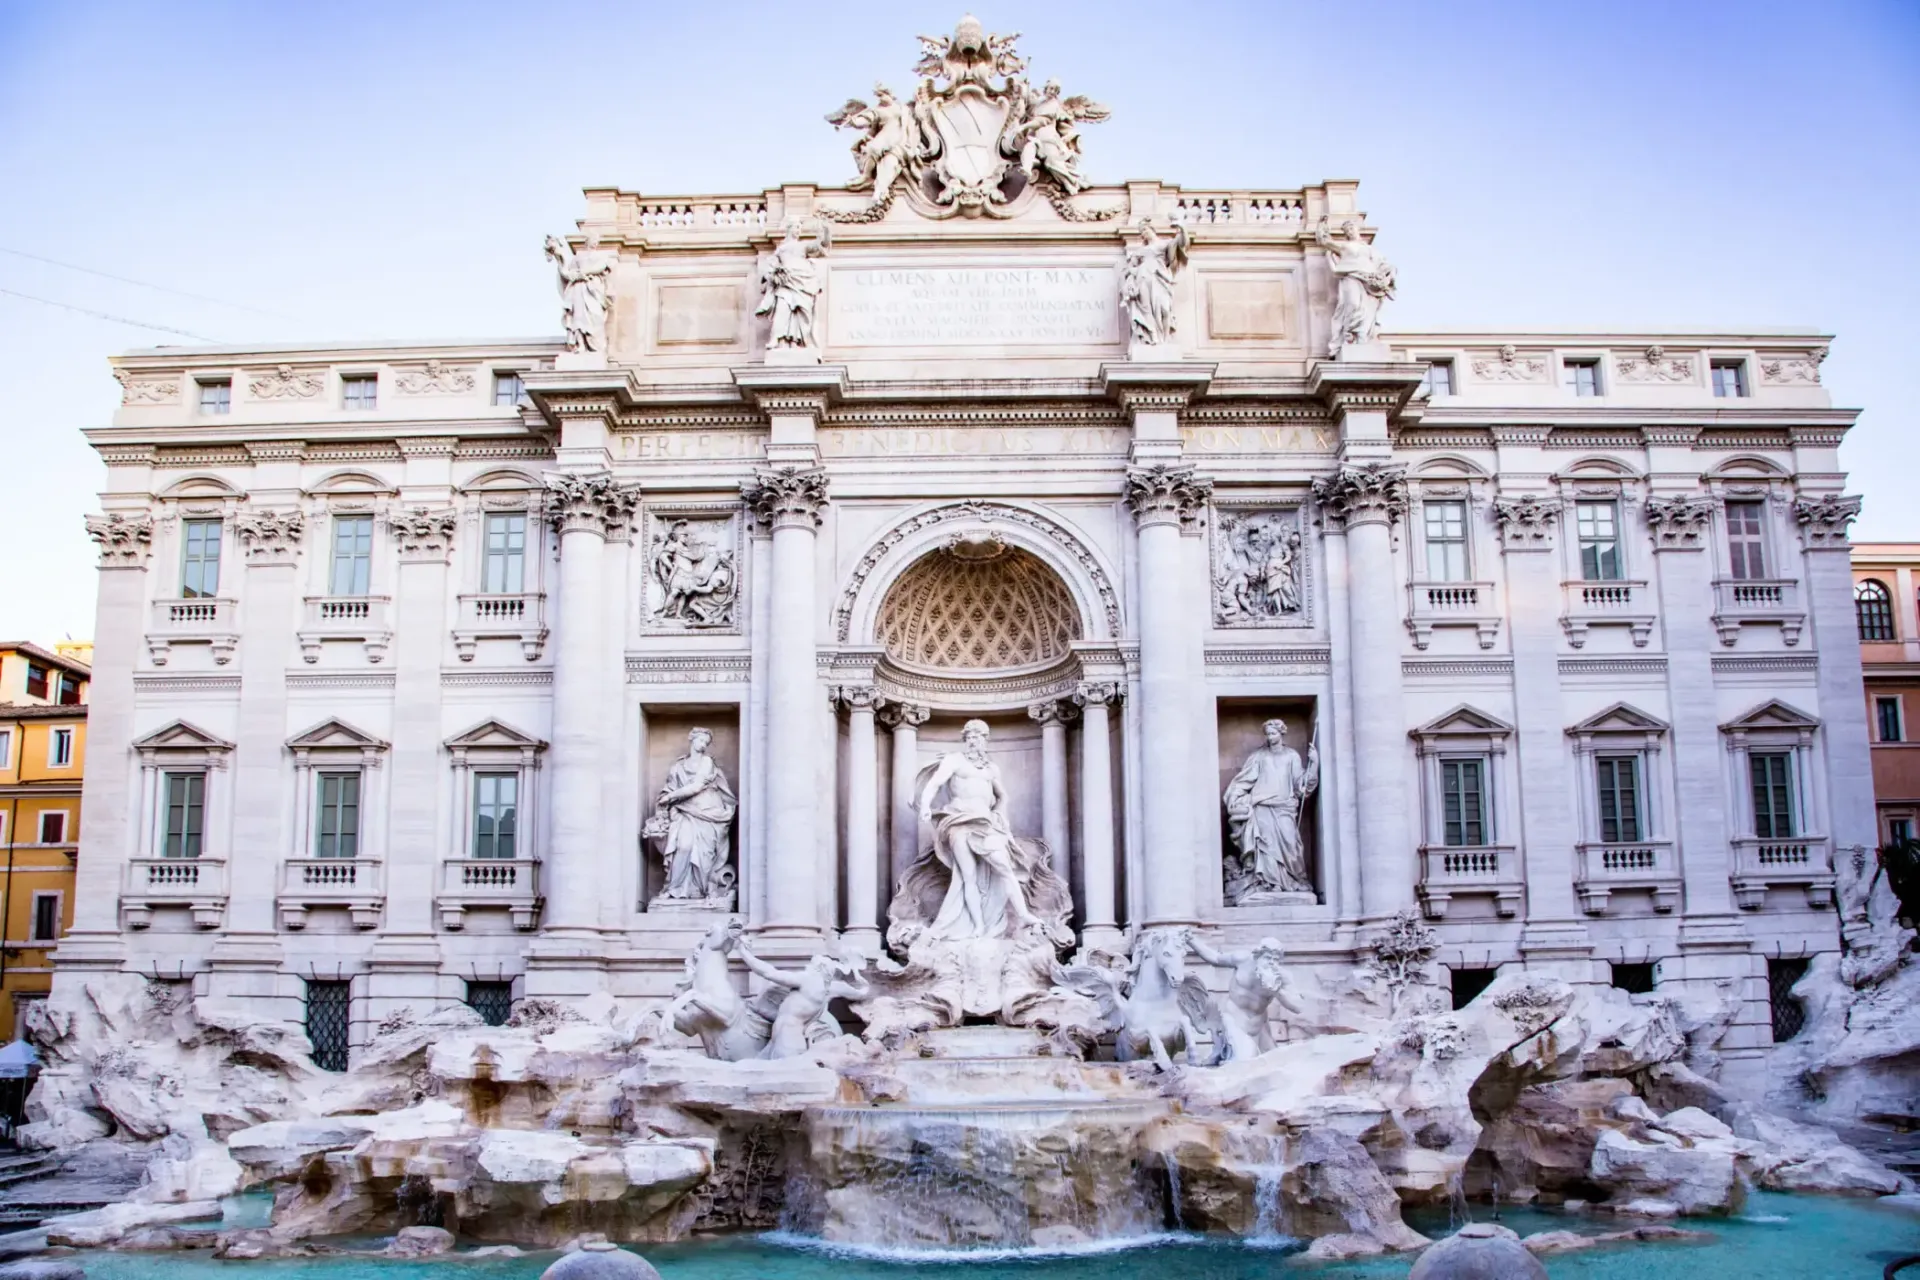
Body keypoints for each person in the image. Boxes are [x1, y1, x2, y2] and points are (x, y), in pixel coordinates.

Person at [917, 719, 1044, 939]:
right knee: (968, 876)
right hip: (958, 822)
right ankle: (978, 926)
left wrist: (1001, 817)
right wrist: (926, 805)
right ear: (965, 739)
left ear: (985, 740)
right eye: (970, 736)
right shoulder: (954, 760)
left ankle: (1023, 914)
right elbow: (935, 783)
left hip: (986, 823)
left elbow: (1003, 795)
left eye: (978, 736)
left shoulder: (991, 768)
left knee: (1004, 866)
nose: (973, 740)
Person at [1222, 718, 1320, 897]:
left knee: (1291, 844)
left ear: (1281, 733)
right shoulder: (1259, 756)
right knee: (1265, 847)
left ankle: (1293, 880)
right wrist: (1236, 796)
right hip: (1262, 806)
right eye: (1267, 734)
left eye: (1273, 733)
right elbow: (1244, 780)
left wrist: (1313, 764)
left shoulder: (1292, 756)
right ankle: (1269, 883)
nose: (1270, 737)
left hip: (1284, 807)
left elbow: (1301, 786)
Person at [652, 728, 737, 901]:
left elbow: (696, 787)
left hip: (707, 811)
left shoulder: (706, 762)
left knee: (704, 855)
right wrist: (667, 798)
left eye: (706, 742)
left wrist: (670, 797)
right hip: (685, 811)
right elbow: (669, 788)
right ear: (692, 740)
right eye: (701, 740)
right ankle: (674, 889)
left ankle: (699, 891)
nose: (703, 745)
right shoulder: (678, 767)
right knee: (683, 846)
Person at [1188, 935, 1303, 1059]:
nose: (1271, 963)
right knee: (1247, 1056)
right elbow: (1215, 958)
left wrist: (1277, 991)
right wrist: (1191, 940)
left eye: (1275, 959)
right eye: (1267, 957)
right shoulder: (1242, 959)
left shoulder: (1282, 977)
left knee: (1274, 1060)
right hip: (1234, 1019)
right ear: (1257, 955)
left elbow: (1298, 1007)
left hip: (1259, 1025)